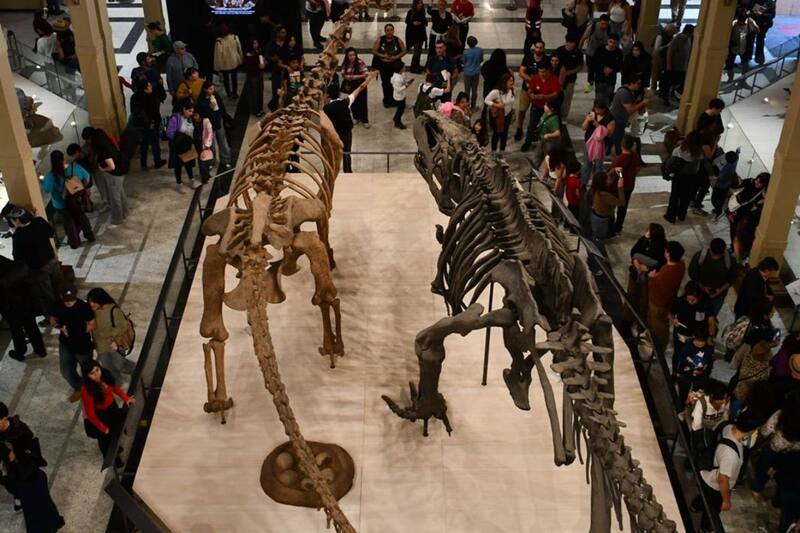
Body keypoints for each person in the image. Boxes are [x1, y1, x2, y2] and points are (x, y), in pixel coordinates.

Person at [691, 413, 760, 530]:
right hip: (714, 485)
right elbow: (723, 480)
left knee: (704, 496)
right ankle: (705, 528)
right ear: (750, 431)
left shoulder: (726, 426)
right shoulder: (731, 455)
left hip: (706, 473)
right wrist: (726, 500)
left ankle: (694, 506)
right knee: (712, 510)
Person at [9, 208, 63, 319]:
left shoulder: (18, 235)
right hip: (52, 261)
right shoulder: (38, 221)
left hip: (39, 269)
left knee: (48, 295)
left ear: (18, 221)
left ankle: (56, 317)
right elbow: (51, 233)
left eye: (13, 220)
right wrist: (37, 218)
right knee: (59, 286)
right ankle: (66, 307)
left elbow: (17, 257)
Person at [0, 440, 64, 532]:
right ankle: (51, 525)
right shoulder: (25, 454)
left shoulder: (19, 461)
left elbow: (13, 484)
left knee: (35, 511)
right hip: (34, 480)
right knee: (43, 505)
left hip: (29, 485)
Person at [323, 71, 379, 173]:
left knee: (332, 153)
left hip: (333, 134)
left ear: (328, 95)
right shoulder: (345, 102)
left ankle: (331, 171)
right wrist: (369, 78)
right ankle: (348, 171)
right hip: (346, 133)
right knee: (347, 153)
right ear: (339, 93)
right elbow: (359, 88)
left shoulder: (325, 109)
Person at [80, 360, 135, 460]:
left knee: (115, 431)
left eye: (97, 369)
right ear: (87, 375)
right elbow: (91, 414)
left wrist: (126, 398)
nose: (97, 374)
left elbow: (115, 388)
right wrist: (103, 428)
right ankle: (110, 458)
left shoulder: (105, 375)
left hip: (112, 408)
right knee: (105, 440)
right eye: (92, 373)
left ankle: (115, 448)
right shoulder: (86, 391)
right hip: (101, 416)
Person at [42, 150, 95, 249]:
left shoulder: (51, 176)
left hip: (60, 204)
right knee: (82, 218)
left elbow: (46, 189)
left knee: (69, 223)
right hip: (76, 201)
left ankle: (74, 243)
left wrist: (40, 180)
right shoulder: (74, 168)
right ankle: (90, 236)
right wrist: (81, 188)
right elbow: (87, 178)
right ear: (63, 159)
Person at [751, 393, 800, 496]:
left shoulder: (782, 414)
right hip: (792, 453)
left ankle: (756, 489)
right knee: (784, 476)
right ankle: (777, 501)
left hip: (774, 448)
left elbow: (767, 429)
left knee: (764, 470)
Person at [87, 288, 137, 386]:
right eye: (90, 302)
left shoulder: (113, 310)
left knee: (120, 365)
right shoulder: (92, 310)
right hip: (100, 346)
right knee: (108, 367)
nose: (91, 304)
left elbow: (123, 327)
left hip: (114, 344)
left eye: (94, 302)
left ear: (101, 300)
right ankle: (117, 384)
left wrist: (109, 334)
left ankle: (137, 369)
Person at [0, 257, 46, 361]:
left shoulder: (4, 281)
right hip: (25, 302)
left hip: (10, 306)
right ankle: (40, 350)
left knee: (16, 330)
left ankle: (20, 352)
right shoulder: (13, 266)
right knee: (31, 326)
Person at [53, 288, 95, 402]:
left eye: (72, 299)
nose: (69, 302)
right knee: (66, 370)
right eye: (66, 300)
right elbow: (53, 318)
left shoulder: (84, 307)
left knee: (88, 370)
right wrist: (59, 327)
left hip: (83, 345)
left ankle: (91, 391)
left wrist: (74, 332)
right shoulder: (58, 305)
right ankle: (80, 387)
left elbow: (92, 324)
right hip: (65, 344)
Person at [83, 127, 130, 226]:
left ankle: (117, 219)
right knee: (120, 193)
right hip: (120, 173)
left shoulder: (104, 151)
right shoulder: (108, 142)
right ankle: (125, 212)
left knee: (114, 197)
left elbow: (111, 167)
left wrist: (102, 169)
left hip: (114, 175)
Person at [669, 281, 717, 374]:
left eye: (693, 300)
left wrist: (710, 337)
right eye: (688, 299)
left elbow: (711, 322)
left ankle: (688, 372)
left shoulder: (705, 304)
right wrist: (673, 320)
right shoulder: (680, 301)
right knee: (677, 354)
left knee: (692, 356)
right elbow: (670, 313)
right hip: (680, 334)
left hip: (696, 337)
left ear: (699, 297)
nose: (690, 302)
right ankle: (675, 373)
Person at [624, 223, 666, 325]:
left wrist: (647, 268)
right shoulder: (644, 240)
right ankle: (627, 318)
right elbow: (634, 251)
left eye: (649, 230)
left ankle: (640, 323)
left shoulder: (663, 247)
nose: (646, 231)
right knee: (631, 296)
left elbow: (661, 265)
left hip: (648, 280)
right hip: (635, 274)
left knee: (644, 302)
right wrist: (635, 261)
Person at [647, 240, 686, 351]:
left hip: (658, 303)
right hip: (669, 300)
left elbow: (655, 289)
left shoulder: (666, 272)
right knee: (660, 324)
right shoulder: (681, 265)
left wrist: (651, 277)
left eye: (666, 250)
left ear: (668, 254)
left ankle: (659, 348)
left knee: (659, 327)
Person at [663, 130, 708, 224]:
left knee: (675, 197)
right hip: (692, 178)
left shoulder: (679, 150)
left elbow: (669, 164)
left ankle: (671, 216)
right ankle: (682, 215)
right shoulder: (699, 153)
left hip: (679, 177)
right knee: (686, 198)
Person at [687, 239, 737, 317]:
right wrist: (703, 287)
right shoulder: (700, 256)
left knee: (711, 316)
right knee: (696, 313)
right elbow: (693, 274)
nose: (716, 257)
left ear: (710, 247)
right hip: (700, 293)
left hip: (717, 295)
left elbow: (732, 279)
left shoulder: (730, 261)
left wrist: (718, 291)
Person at [515, 39, 549, 142]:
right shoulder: (528, 57)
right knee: (522, 110)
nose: (538, 49)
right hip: (526, 90)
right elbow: (521, 72)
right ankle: (519, 128)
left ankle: (534, 130)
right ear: (534, 47)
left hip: (539, 92)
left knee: (537, 112)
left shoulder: (546, 60)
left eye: (540, 48)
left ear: (543, 49)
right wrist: (533, 81)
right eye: (537, 47)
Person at [521, 64, 561, 152]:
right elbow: (530, 90)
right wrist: (532, 95)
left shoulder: (554, 79)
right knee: (531, 125)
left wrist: (544, 96)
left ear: (548, 71)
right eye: (539, 71)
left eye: (543, 72)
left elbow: (556, 94)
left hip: (549, 109)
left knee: (547, 126)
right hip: (536, 106)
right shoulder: (535, 78)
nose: (541, 73)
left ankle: (547, 144)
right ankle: (528, 142)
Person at [130, 81, 167, 171]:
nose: (151, 87)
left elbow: (133, 111)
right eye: (149, 86)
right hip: (151, 124)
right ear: (145, 89)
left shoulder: (134, 97)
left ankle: (143, 164)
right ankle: (157, 161)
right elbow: (154, 112)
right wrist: (152, 123)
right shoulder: (151, 97)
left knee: (143, 144)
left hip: (139, 125)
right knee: (154, 143)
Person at [196, 80, 232, 171]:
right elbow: (202, 113)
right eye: (210, 88)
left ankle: (226, 160)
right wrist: (210, 108)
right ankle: (211, 162)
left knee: (223, 143)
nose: (212, 90)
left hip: (218, 122)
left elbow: (222, 108)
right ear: (205, 89)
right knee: (210, 145)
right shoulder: (201, 100)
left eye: (213, 88)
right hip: (208, 124)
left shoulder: (216, 96)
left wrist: (222, 117)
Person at [608, 77, 649, 156]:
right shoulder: (625, 93)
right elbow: (630, 110)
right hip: (617, 120)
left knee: (615, 137)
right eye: (638, 83)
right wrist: (643, 103)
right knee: (618, 140)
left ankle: (609, 151)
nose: (639, 86)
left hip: (619, 119)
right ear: (631, 83)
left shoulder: (629, 91)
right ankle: (619, 157)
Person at [610, 134, 641, 234]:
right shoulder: (635, 156)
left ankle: (610, 225)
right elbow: (637, 169)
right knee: (623, 207)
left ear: (621, 145)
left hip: (617, 187)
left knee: (612, 205)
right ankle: (618, 226)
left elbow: (613, 174)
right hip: (629, 185)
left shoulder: (618, 159)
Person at [589, 170, 625, 254]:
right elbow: (622, 202)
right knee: (600, 238)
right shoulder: (605, 196)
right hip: (601, 220)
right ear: (603, 182)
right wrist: (620, 188)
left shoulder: (595, 188)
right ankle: (598, 255)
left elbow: (603, 176)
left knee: (596, 234)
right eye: (608, 178)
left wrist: (614, 170)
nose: (610, 179)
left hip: (595, 215)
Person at [580, 99, 615, 186]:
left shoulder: (610, 118)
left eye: (600, 109)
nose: (597, 111)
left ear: (604, 108)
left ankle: (597, 184)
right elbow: (583, 128)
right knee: (587, 164)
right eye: (596, 109)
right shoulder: (591, 114)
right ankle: (583, 183)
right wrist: (587, 120)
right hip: (589, 143)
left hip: (601, 145)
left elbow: (610, 134)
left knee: (598, 166)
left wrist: (598, 125)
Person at [166, 101, 199, 191]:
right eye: (189, 111)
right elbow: (169, 133)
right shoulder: (175, 119)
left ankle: (191, 180)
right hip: (178, 147)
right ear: (184, 109)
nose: (191, 113)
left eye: (192, 111)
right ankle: (179, 183)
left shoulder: (190, 118)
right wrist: (181, 137)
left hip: (188, 146)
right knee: (178, 166)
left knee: (189, 164)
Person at [372, 24, 407, 108]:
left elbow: (404, 51)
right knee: (385, 83)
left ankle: (394, 99)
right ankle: (386, 100)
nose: (389, 32)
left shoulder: (397, 40)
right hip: (383, 65)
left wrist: (396, 57)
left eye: (391, 30)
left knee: (394, 83)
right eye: (387, 30)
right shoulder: (380, 39)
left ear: (393, 30)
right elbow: (374, 51)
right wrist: (382, 56)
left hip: (394, 65)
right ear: (385, 31)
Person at [555, 33, 584, 121]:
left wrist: (570, 72)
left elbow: (580, 66)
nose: (570, 45)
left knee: (567, 98)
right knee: (556, 97)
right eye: (568, 42)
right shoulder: (559, 51)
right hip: (557, 79)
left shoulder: (577, 53)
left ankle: (563, 116)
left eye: (572, 43)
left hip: (570, 80)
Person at [662, 24, 694, 105]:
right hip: (674, 66)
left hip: (683, 66)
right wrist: (669, 65)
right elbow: (670, 52)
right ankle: (666, 97)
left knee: (678, 82)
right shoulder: (677, 39)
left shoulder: (688, 39)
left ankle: (674, 94)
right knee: (670, 83)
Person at [484, 72, 515, 153]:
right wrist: (496, 105)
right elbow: (486, 100)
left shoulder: (511, 90)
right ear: (504, 82)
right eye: (510, 81)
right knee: (497, 134)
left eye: (512, 80)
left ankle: (502, 151)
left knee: (505, 134)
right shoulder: (496, 92)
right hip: (498, 116)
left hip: (507, 115)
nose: (512, 82)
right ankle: (494, 152)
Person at [580, 14, 611, 94]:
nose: (603, 26)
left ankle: (598, 85)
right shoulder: (593, 27)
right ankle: (589, 83)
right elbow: (583, 38)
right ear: (599, 21)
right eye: (602, 23)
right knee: (590, 69)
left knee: (599, 70)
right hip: (590, 52)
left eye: (605, 24)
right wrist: (579, 50)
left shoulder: (609, 29)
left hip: (601, 54)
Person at [726, 8, 759, 82]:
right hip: (734, 47)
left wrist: (754, 27)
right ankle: (730, 79)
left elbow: (757, 30)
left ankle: (743, 79)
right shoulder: (733, 23)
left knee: (745, 64)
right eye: (740, 22)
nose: (742, 23)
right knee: (729, 64)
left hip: (745, 47)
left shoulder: (750, 21)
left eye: (743, 22)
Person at [340, 48, 370, 127]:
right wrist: (347, 77)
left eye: (353, 55)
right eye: (350, 55)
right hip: (351, 85)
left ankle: (364, 120)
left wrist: (355, 77)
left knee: (362, 102)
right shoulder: (345, 63)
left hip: (360, 84)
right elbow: (342, 73)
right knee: (353, 101)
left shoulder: (360, 62)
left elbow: (366, 74)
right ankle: (356, 117)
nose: (352, 57)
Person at [214, 23, 243, 98]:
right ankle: (234, 93)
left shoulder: (219, 41)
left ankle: (229, 93)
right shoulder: (234, 37)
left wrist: (217, 67)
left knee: (226, 79)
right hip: (234, 61)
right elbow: (239, 49)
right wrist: (241, 59)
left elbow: (218, 56)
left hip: (224, 64)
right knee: (234, 78)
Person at [530, 100, 562, 168]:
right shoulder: (545, 113)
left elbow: (557, 133)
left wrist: (548, 135)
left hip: (549, 143)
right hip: (542, 140)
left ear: (552, 109)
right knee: (537, 156)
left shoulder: (554, 119)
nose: (544, 106)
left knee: (548, 160)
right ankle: (533, 172)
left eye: (546, 105)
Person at [593, 33, 623, 104]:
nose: (612, 44)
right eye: (610, 42)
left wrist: (612, 70)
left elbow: (620, 65)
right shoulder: (600, 50)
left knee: (609, 98)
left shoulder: (619, 53)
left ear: (617, 43)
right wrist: (603, 69)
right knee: (599, 99)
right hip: (599, 78)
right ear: (607, 41)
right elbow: (594, 63)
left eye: (614, 42)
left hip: (611, 79)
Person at [265, 25, 289, 111]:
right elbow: (267, 55)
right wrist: (273, 59)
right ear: (278, 33)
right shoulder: (272, 44)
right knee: (276, 90)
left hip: (287, 70)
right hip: (276, 71)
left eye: (285, 32)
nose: (284, 34)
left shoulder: (287, 43)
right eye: (282, 32)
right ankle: (274, 107)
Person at [242, 38, 267, 117]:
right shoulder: (248, 54)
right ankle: (255, 110)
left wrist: (264, 63)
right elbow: (246, 68)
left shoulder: (259, 51)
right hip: (252, 75)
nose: (256, 45)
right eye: (254, 43)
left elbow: (261, 60)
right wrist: (258, 66)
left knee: (260, 91)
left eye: (256, 43)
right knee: (254, 93)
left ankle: (260, 108)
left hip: (259, 74)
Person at [711, 150, 739, 218]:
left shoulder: (728, 169)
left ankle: (719, 211)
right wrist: (737, 152)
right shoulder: (734, 161)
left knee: (714, 199)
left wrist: (713, 178)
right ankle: (718, 209)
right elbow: (736, 157)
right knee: (721, 199)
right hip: (726, 186)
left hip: (720, 186)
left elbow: (720, 177)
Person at [747, 0, 776, 65]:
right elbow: (749, 8)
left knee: (760, 41)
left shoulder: (770, 3)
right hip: (753, 23)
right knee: (750, 40)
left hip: (763, 25)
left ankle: (759, 60)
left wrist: (762, 14)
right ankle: (747, 58)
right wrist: (751, 12)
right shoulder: (754, 1)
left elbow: (772, 15)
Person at [651, 23, 677, 93]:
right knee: (655, 73)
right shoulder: (660, 36)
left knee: (660, 74)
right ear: (668, 31)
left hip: (663, 57)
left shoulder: (671, 37)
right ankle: (653, 88)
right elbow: (657, 48)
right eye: (671, 32)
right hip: (657, 56)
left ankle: (660, 88)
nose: (672, 34)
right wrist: (667, 46)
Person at [405, 0, 428, 74]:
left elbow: (425, 22)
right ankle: (413, 67)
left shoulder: (422, 12)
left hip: (420, 34)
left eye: (421, 3)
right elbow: (407, 21)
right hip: (413, 34)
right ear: (415, 4)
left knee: (419, 50)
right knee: (416, 51)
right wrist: (413, 23)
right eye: (419, 3)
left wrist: (420, 23)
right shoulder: (411, 12)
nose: (420, 4)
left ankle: (417, 65)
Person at [461, 36, 483, 110]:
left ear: (468, 43)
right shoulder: (480, 50)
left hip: (467, 73)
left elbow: (463, 62)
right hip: (476, 72)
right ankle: (473, 106)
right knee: (474, 90)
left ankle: (466, 106)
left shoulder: (465, 52)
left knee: (467, 90)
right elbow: (481, 59)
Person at [391, 62, 413, 129]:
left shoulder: (398, 75)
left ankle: (395, 118)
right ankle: (397, 122)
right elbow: (398, 89)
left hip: (400, 95)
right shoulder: (397, 79)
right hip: (399, 97)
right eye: (404, 67)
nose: (405, 68)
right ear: (400, 69)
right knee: (400, 110)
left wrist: (406, 83)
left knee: (400, 109)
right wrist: (406, 86)